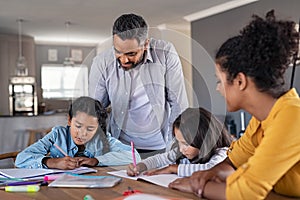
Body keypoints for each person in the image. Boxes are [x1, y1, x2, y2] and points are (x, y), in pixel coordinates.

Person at [168, 10, 300, 199]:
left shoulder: (292, 116)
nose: (218, 89)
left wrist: (196, 187)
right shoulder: (261, 119)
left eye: (220, 81)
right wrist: (210, 173)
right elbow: (235, 160)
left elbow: (245, 193)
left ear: (240, 81)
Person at [88, 13, 189, 158]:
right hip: (120, 147)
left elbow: (179, 104)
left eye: (131, 54)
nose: (124, 60)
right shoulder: (101, 62)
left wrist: (176, 146)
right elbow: (95, 110)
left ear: (146, 44)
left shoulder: (165, 53)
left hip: (161, 145)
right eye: (118, 52)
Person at [15, 96, 141, 169]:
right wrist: (52, 162)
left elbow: (134, 156)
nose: (82, 133)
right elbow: (21, 159)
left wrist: (97, 160)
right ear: (69, 120)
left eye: (90, 129)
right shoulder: (57, 135)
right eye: (78, 126)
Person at [127, 107, 232, 177]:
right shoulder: (181, 152)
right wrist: (141, 166)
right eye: (179, 142)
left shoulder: (223, 153)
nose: (181, 149)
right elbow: (159, 159)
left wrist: (173, 169)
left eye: (186, 143)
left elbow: (212, 169)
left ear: (204, 140)